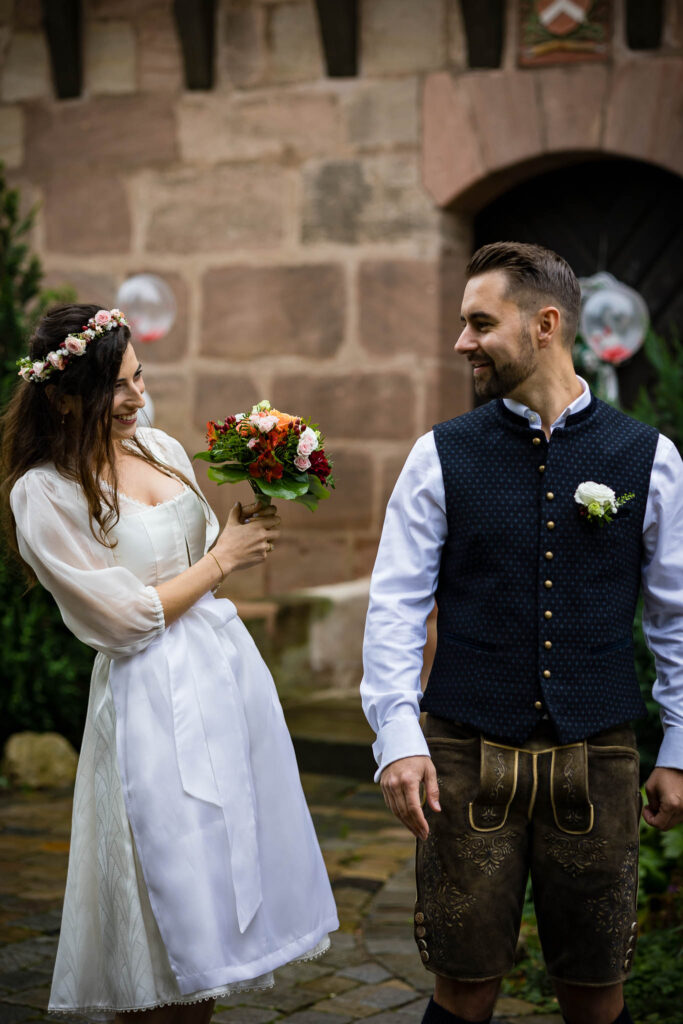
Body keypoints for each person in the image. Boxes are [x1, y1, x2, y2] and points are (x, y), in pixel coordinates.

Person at [360, 242, 683, 1024]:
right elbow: (394, 605)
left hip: (597, 754)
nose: (460, 341)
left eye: (479, 323)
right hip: (463, 751)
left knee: (595, 985)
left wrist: (678, 748)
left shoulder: (650, 458)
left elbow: (675, 615)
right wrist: (397, 736)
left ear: (544, 325)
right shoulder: (437, 457)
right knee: (463, 982)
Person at [1, 304, 338, 1023]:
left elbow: (196, 563)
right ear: (63, 395)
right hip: (149, 699)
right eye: (113, 388)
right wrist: (222, 560)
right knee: (167, 905)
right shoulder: (44, 491)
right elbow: (119, 618)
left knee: (217, 903)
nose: (134, 398)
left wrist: (237, 532)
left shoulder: (161, 449)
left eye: (137, 378)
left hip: (225, 678)